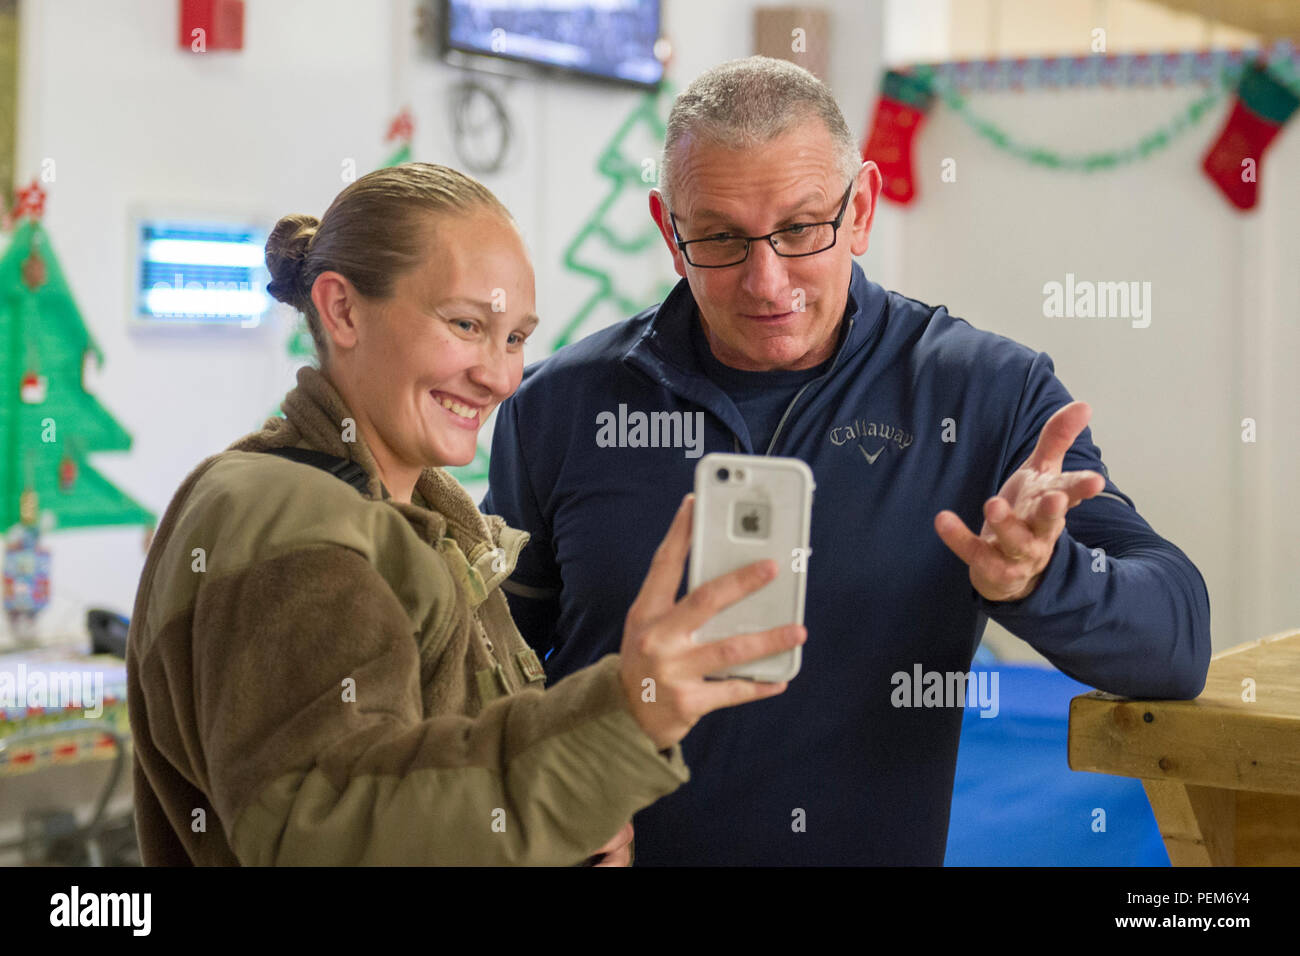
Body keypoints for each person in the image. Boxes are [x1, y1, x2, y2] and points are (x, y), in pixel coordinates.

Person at [482, 57, 1212, 865]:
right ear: (669, 230)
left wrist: (1043, 578)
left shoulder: (983, 395)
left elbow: (1174, 645)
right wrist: (541, 807)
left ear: (860, 208)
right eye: (721, 237)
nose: (767, 281)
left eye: (800, 229)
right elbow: (489, 669)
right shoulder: (555, 405)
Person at [125, 163, 805, 865]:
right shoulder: (289, 516)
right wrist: (622, 722)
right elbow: (327, 831)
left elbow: (442, 796)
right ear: (342, 310)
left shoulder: (425, 519)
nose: (501, 376)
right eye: (466, 324)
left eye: (515, 339)